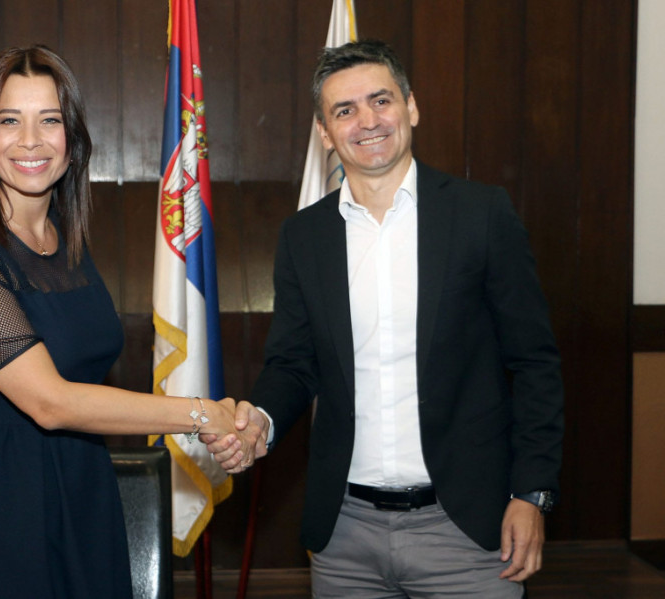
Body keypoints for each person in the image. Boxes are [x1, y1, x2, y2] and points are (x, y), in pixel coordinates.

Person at [204, 39, 564, 598]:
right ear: (325, 132)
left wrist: (531, 493)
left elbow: (535, 363)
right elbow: (293, 363)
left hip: (469, 528)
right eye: (345, 110)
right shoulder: (304, 237)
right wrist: (262, 422)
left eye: (381, 100)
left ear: (410, 107)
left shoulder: (481, 215)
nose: (367, 121)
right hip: (345, 537)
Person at [0, 45, 248, 599]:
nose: (30, 140)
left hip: (83, 481)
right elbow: (50, 401)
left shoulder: (65, 240)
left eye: (50, 120)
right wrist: (202, 414)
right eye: (9, 121)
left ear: (73, 141)